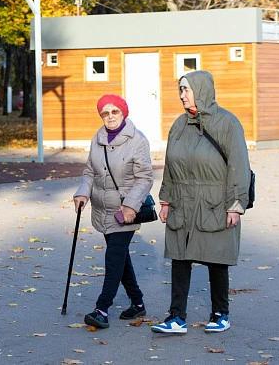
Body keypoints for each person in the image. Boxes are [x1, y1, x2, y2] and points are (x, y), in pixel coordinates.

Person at [151, 70, 251, 335]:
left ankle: (221, 313)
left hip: (214, 201)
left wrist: (236, 204)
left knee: (216, 257)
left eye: (186, 90)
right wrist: (165, 199)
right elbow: (170, 166)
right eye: (180, 90)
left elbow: (239, 165)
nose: (182, 95)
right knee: (179, 258)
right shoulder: (179, 126)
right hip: (183, 200)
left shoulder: (228, 123)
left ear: (201, 90)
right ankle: (176, 318)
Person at [73, 94, 153, 329]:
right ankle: (138, 304)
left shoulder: (137, 140)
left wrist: (130, 205)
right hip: (102, 208)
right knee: (121, 257)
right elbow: (90, 172)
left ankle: (102, 309)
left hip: (125, 210)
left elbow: (144, 178)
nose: (110, 117)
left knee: (114, 256)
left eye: (114, 111)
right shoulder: (97, 139)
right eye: (105, 113)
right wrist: (82, 193)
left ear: (123, 112)